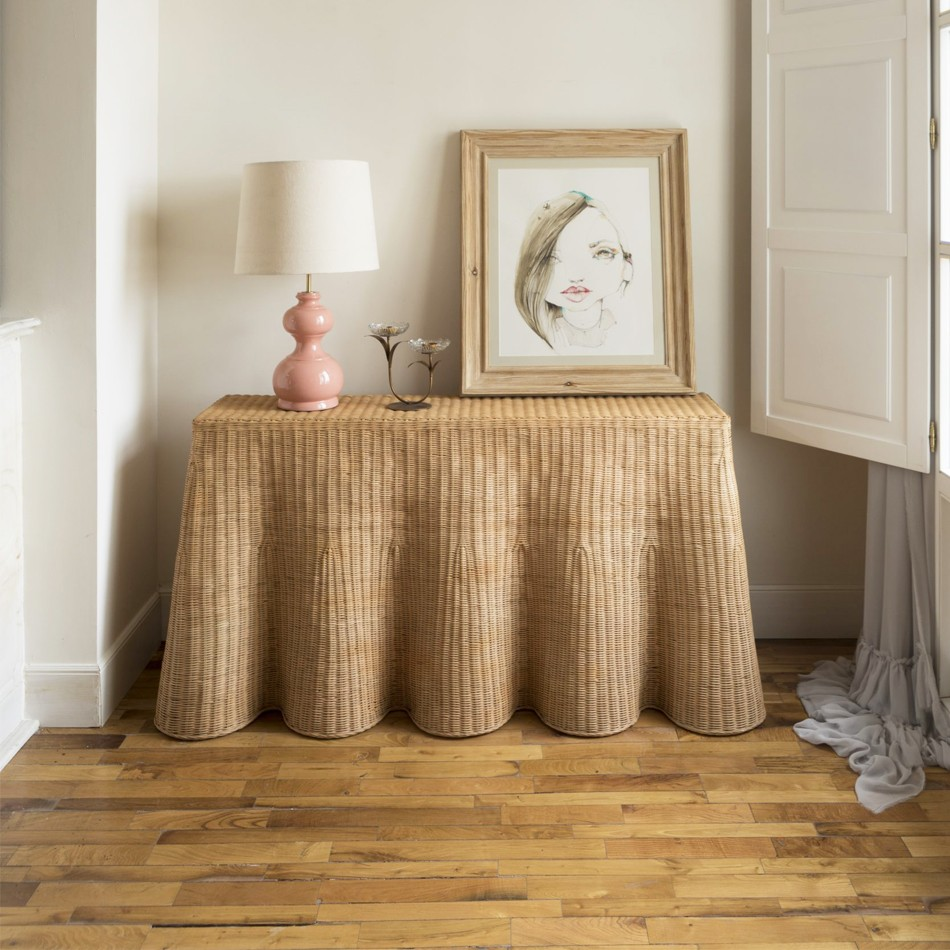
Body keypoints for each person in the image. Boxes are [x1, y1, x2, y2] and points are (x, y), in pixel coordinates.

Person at [514, 191, 633, 352]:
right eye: (551, 259)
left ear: (627, 266)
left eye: (602, 252)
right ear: (530, 274)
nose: (575, 276)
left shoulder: (628, 334)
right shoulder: (530, 345)